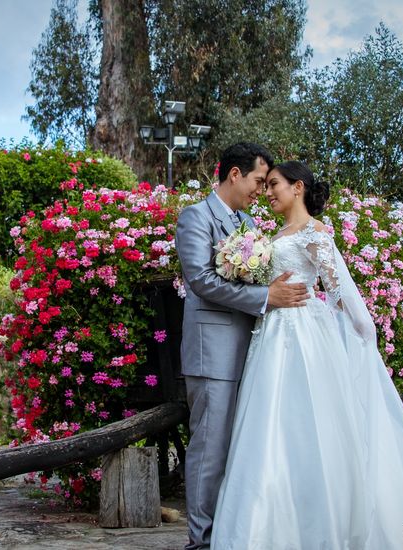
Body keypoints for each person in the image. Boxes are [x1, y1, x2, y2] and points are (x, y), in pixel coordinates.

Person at [210, 161, 403, 549]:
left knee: (302, 421)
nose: (268, 192)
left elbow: (339, 290)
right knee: (269, 421)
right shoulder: (276, 235)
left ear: (297, 188)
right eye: (266, 186)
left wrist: (362, 337)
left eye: (274, 184)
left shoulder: (314, 234)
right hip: (271, 336)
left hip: (301, 338)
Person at [175, 143, 311, 550]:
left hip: (253, 350)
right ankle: (200, 542)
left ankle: (231, 536)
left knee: (242, 452)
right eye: (257, 181)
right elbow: (201, 279)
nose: (260, 191)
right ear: (234, 174)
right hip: (212, 353)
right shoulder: (196, 218)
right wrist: (265, 298)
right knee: (210, 452)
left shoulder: (249, 222)